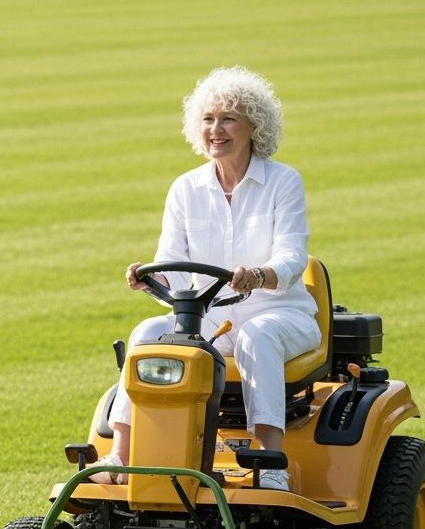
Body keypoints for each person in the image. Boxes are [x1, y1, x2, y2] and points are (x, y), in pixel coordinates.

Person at [94, 66, 320, 491]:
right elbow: (172, 261)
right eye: (209, 119)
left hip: (280, 313)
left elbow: (292, 255)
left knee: (258, 336)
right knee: (147, 332)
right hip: (212, 320)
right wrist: (151, 279)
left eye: (229, 119)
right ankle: (121, 455)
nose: (216, 129)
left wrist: (259, 275)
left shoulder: (283, 182)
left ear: (255, 127)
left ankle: (271, 462)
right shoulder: (185, 188)